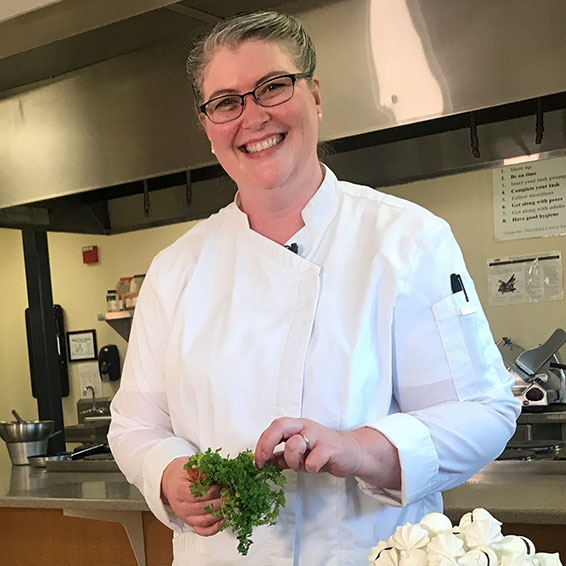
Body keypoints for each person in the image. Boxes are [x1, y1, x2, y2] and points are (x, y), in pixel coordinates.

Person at [108, 11, 520, 565]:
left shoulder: (407, 240)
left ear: (315, 95)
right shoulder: (175, 269)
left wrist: (360, 448)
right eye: (226, 102)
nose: (252, 116)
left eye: (273, 87)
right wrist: (167, 474)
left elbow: (484, 411)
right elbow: (135, 423)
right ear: (208, 128)